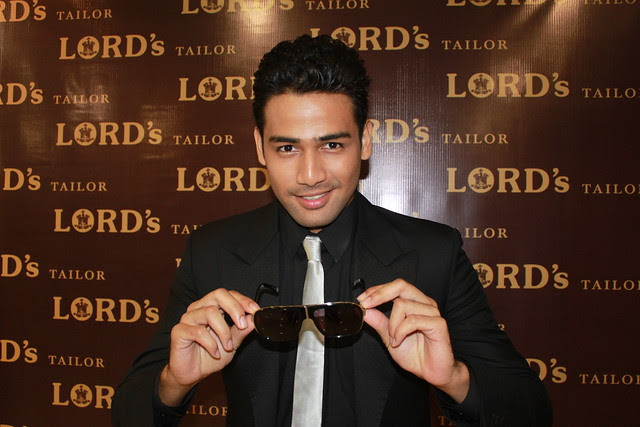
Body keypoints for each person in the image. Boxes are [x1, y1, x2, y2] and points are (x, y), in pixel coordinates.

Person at [112, 34, 552, 426]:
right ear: (259, 148)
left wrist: (454, 379)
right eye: (287, 147)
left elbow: (530, 410)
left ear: (366, 141)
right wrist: (172, 383)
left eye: (332, 144)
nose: (310, 175)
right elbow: (128, 409)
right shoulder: (212, 251)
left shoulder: (433, 253)